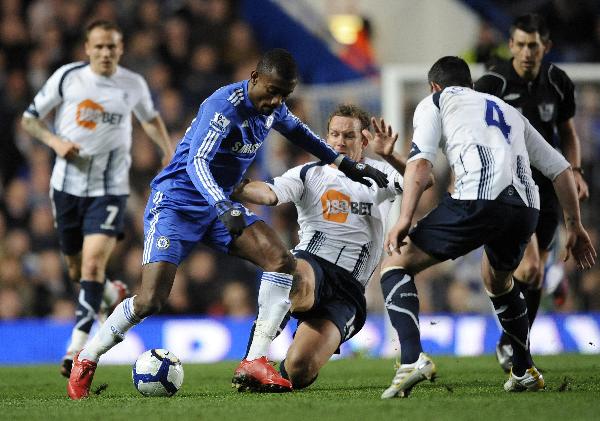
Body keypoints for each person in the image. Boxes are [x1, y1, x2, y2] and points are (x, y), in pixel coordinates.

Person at [66, 48, 388, 399]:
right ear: (254, 78)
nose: (275, 100)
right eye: (271, 91)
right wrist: (222, 204)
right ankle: (88, 357)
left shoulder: (273, 107)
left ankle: (254, 360)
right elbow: (196, 163)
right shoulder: (223, 106)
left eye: (283, 95)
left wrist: (345, 163)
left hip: (219, 206)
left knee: (281, 259)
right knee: (150, 299)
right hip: (177, 204)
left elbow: (302, 134)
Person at [379, 56, 595, 399]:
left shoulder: (435, 101)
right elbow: (560, 169)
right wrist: (576, 226)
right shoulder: (509, 111)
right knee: (499, 280)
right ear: (471, 85)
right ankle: (523, 369)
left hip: (477, 199)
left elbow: (421, 163)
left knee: (395, 265)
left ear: (435, 86)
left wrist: (405, 218)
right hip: (525, 208)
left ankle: (410, 359)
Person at [21, 20, 174, 378]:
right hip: (66, 188)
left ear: (120, 50)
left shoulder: (132, 84)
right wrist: (56, 143)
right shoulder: (67, 77)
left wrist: (168, 152)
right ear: (87, 48)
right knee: (77, 271)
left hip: (110, 189)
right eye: (99, 47)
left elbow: (150, 119)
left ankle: (76, 348)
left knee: (91, 267)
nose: (106, 53)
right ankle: (113, 292)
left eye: (112, 47)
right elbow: (30, 120)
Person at [231, 104, 415, 390]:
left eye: (349, 136)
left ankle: (284, 365)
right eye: (334, 134)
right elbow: (268, 194)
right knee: (292, 275)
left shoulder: (379, 174)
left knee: (299, 371)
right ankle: (253, 359)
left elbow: (422, 181)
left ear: (364, 140)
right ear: (326, 137)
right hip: (313, 263)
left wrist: (392, 155)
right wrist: (234, 187)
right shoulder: (308, 174)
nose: (340, 141)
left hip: (349, 290)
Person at [474, 13, 589, 372]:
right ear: (510, 46)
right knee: (533, 265)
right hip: (506, 186)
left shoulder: (558, 82)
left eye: (533, 46)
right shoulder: (491, 83)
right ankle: (516, 343)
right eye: (521, 45)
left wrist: (575, 170)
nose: (526, 52)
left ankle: (512, 341)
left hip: (546, 187)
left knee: (534, 275)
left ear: (546, 47)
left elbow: (567, 131)